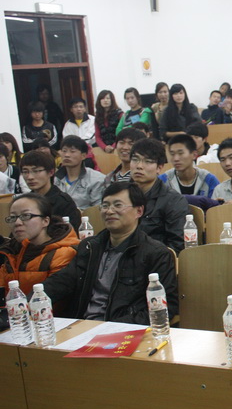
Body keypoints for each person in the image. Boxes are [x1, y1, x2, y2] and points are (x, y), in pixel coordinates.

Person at [40, 182, 179, 324]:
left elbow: (164, 306)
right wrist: (33, 300)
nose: (109, 211)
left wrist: (112, 327)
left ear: (139, 211)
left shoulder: (155, 254)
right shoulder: (90, 247)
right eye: (105, 206)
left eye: (118, 205)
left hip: (122, 329)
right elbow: (61, 282)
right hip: (82, 326)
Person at [0, 193, 80, 294]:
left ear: (45, 221)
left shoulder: (63, 253)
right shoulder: (11, 252)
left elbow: (55, 298)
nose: (17, 223)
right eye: (12, 217)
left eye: (26, 216)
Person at [129, 138, 188, 254]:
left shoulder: (173, 201)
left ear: (159, 168)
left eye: (147, 161)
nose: (139, 166)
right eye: (135, 160)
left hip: (154, 259)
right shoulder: (120, 195)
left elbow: (177, 245)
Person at [20, 150, 80, 230]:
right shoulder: (24, 202)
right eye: (25, 172)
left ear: (51, 172)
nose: (29, 177)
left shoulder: (63, 202)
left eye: (36, 171)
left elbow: (70, 233)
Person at [54, 136, 106, 210]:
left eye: (72, 151)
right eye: (64, 151)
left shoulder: (96, 179)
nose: (67, 155)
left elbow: (97, 209)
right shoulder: (55, 179)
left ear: (83, 156)